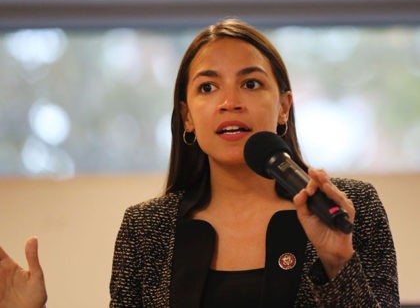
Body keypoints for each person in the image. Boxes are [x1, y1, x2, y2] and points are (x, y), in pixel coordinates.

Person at [0, 18, 399, 308]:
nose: (230, 101)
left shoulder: (346, 209)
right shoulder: (145, 230)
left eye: (251, 83)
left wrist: (337, 260)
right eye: (208, 87)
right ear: (187, 116)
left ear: (283, 108)